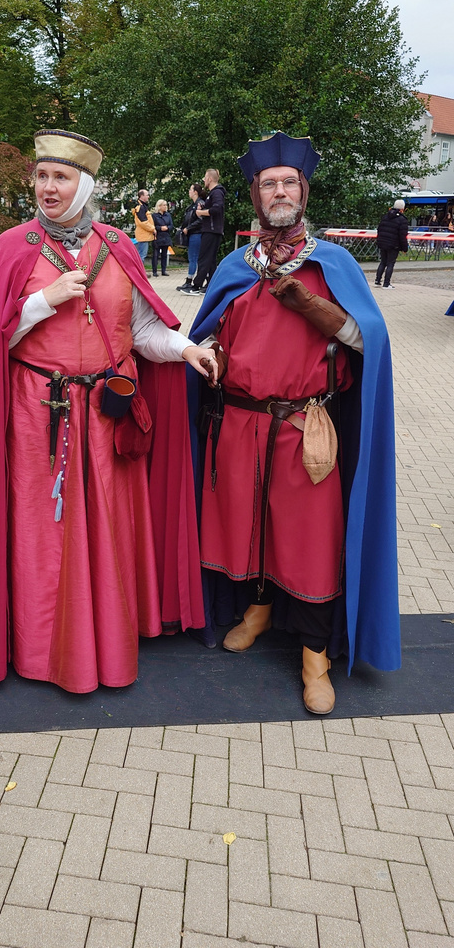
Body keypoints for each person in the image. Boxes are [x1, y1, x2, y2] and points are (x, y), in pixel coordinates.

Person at [0, 129, 217, 693]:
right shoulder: (15, 245)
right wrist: (42, 301)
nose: (48, 187)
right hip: (39, 414)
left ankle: (105, 640)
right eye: (41, 176)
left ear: (84, 185)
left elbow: (139, 331)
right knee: (43, 531)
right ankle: (39, 648)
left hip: (106, 416)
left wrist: (187, 350)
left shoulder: (117, 244)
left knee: (105, 527)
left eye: (60, 177)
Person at [187, 132, 400, 714]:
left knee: (309, 540)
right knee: (249, 526)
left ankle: (314, 655)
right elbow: (205, 331)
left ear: (303, 191)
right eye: (267, 183)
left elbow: (368, 343)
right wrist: (204, 352)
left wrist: (313, 307)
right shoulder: (236, 265)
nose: (278, 191)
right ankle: (257, 611)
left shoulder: (331, 262)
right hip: (240, 424)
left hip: (306, 427)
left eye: (288, 182)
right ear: (254, 196)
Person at [180, 169, 226, 295]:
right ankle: (211, 285)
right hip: (212, 230)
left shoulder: (216, 193)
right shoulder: (214, 193)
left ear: (210, 179)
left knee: (203, 258)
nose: (203, 180)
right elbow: (213, 209)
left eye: (205, 178)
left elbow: (217, 209)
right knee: (210, 260)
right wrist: (204, 208)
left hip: (211, 230)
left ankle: (196, 286)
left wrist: (200, 212)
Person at [177, 183, 206, 291]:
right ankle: (191, 280)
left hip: (197, 234)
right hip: (193, 234)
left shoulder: (200, 204)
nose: (189, 192)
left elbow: (201, 220)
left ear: (195, 192)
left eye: (190, 189)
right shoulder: (192, 205)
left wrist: (188, 228)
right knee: (193, 258)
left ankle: (190, 281)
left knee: (193, 258)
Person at [375, 199, 409, 288]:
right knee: (390, 263)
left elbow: (379, 229)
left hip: (383, 243)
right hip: (394, 245)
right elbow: (403, 236)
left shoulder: (385, 216)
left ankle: (377, 280)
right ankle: (386, 284)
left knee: (383, 262)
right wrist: (405, 248)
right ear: (402, 209)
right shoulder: (402, 220)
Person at [151, 199, 174, 277]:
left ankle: (163, 270)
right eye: (164, 205)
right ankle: (154, 271)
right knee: (156, 254)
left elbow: (171, 225)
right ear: (159, 206)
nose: (165, 206)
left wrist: (167, 228)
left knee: (164, 254)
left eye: (166, 205)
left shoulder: (168, 215)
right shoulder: (154, 215)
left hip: (166, 236)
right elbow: (152, 226)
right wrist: (160, 228)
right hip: (157, 236)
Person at [133, 188, 156, 263]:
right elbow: (143, 222)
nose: (148, 196)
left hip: (143, 235)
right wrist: (153, 228)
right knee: (141, 255)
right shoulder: (141, 207)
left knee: (141, 255)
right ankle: (140, 274)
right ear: (141, 196)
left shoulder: (143, 206)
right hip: (143, 235)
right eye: (147, 195)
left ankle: (140, 273)